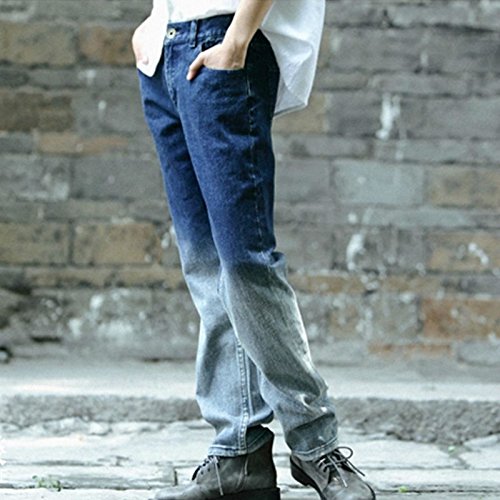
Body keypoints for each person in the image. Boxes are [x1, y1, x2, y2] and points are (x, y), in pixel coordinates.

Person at [132, 1, 376, 499]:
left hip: (223, 42)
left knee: (247, 264)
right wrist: (154, 23)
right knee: (206, 265)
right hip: (163, 53)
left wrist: (238, 38)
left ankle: (315, 442)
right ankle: (238, 453)